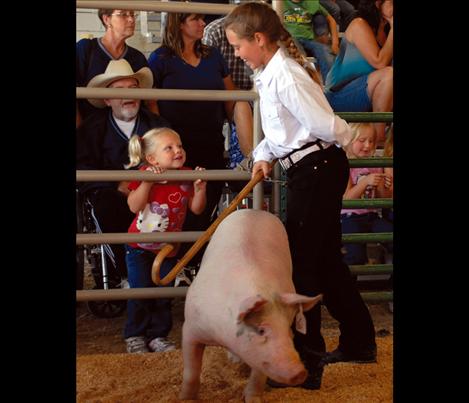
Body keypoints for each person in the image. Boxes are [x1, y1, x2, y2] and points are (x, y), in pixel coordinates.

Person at [224, 1, 376, 390]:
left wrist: (352, 138)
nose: (237, 53)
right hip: (310, 167)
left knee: (303, 265)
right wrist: (261, 155)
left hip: (317, 169)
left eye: (239, 45)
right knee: (325, 261)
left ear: (258, 39)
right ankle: (359, 341)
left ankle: (306, 362)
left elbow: (319, 123)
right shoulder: (271, 72)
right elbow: (281, 131)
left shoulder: (287, 75)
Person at [148, 2, 252, 264]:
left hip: (211, 142)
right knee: (176, 208)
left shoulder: (213, 56)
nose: (202, 23)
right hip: (177, 147)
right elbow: (151, 104)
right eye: (195, 19)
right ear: (179, 23)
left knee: (205, 205)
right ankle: (175, 265)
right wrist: (164, 143)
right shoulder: (160, 58)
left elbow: (230, 98)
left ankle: (193, 265)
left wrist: (243, 115)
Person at [76, 59, 171, 287]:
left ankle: (169, 269)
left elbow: (173, 159)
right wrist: (116, 184)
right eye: (119, 90)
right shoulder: (92, 128)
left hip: (155, 195)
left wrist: (147, 183)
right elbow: (83, 167)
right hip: (113, 196)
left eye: (132, 88)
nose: (127, 95)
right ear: (107, 100)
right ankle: (126, 274)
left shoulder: (157, 125)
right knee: (104, 206)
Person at [123, 127, 207, 353]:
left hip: (169, 247)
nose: (177, 151)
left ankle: (158, 336)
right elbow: (134, 206)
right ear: (151, 158)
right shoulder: (144, 173)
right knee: (140, 292)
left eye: (179, 146)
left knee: (164, 294)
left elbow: (197, 210)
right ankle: (135, 336)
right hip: (139, 246)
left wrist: (199, 189)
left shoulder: (187, 175)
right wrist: (147, 182)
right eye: (168, 148)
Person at [324, 0, 393, 143]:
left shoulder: (385, 29)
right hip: (338, 96)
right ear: (378, 4)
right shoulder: (358, 24)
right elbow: (379, 62)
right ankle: (378, 139)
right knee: (389, 75)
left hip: (366, 93)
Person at [76, 8, 155, 127]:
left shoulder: (137, 57)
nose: (131, 19)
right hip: (91, 130)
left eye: (133, 15)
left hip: (130, 130)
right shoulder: (86, 49)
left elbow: (149, 101)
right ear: (107, 19)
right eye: (123, 15)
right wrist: (80, 134)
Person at [202, 15, 254, 169]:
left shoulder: (260, 27)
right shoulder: (214, 31)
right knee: (242, 104)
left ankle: (248, 163)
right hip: (226, 94)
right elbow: (209, 73)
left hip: (254, 92)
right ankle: (250, 160)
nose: (237, 53)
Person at [340, 122, 393, 266]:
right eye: (362, 141)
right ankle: (346, 286)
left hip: (373, 216)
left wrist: (382, 184)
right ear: (349, 141)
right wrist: (365, 182)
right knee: (355, 255)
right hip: (349, 217)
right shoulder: (344, 163)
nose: (367, 145)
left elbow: (383, 198)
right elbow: (346, 198)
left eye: (371, 141)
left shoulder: (375, 163)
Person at [283, 0, 339, 81]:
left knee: (326, 51)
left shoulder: (312, 2)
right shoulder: (280, 3)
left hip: (309, 40)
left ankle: (330, 88)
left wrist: (335, 44)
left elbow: (332, 20)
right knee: (299, 57)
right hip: (291, 39)